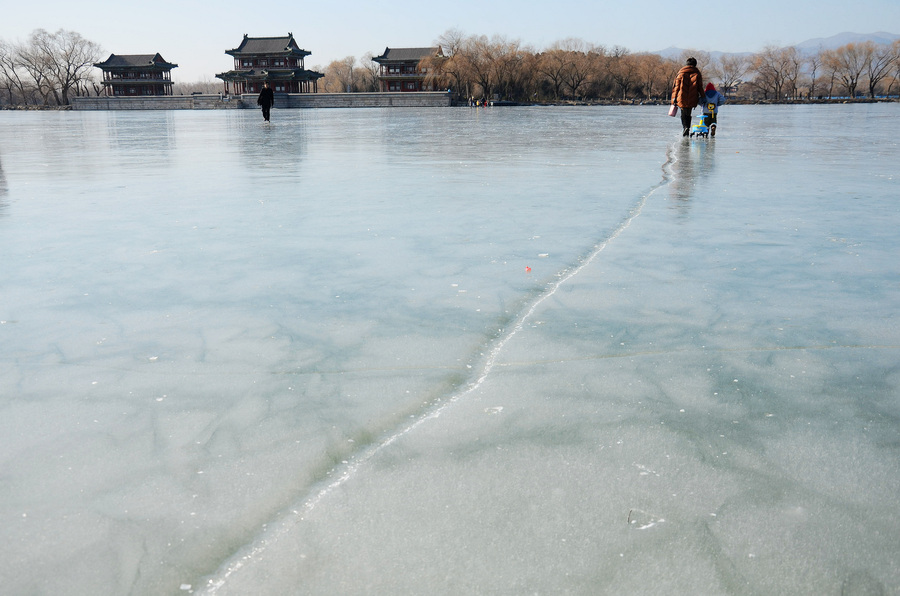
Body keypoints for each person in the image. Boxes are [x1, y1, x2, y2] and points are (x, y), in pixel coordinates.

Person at [671, 57, 703, 137]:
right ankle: (687, 128)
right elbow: (700, 87)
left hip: (681, 97)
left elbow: (676, 87)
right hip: (693, 97)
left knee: (683, 113)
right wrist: (703, 96)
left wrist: (674, 98)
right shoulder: (697, 73)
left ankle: (685, 127)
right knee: (688, 113)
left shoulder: (681, 73)